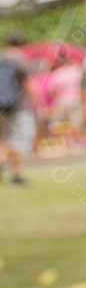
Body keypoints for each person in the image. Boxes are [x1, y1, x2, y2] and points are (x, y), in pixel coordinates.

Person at [0, 32, 37, 184]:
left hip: (1, 104)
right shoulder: (20, 61)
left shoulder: (2, 58)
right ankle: (17, 174)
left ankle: (1, 163)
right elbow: (29, 84)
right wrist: (37, 102)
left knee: (3, 137)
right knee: (18, 138)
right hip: (17, 106)